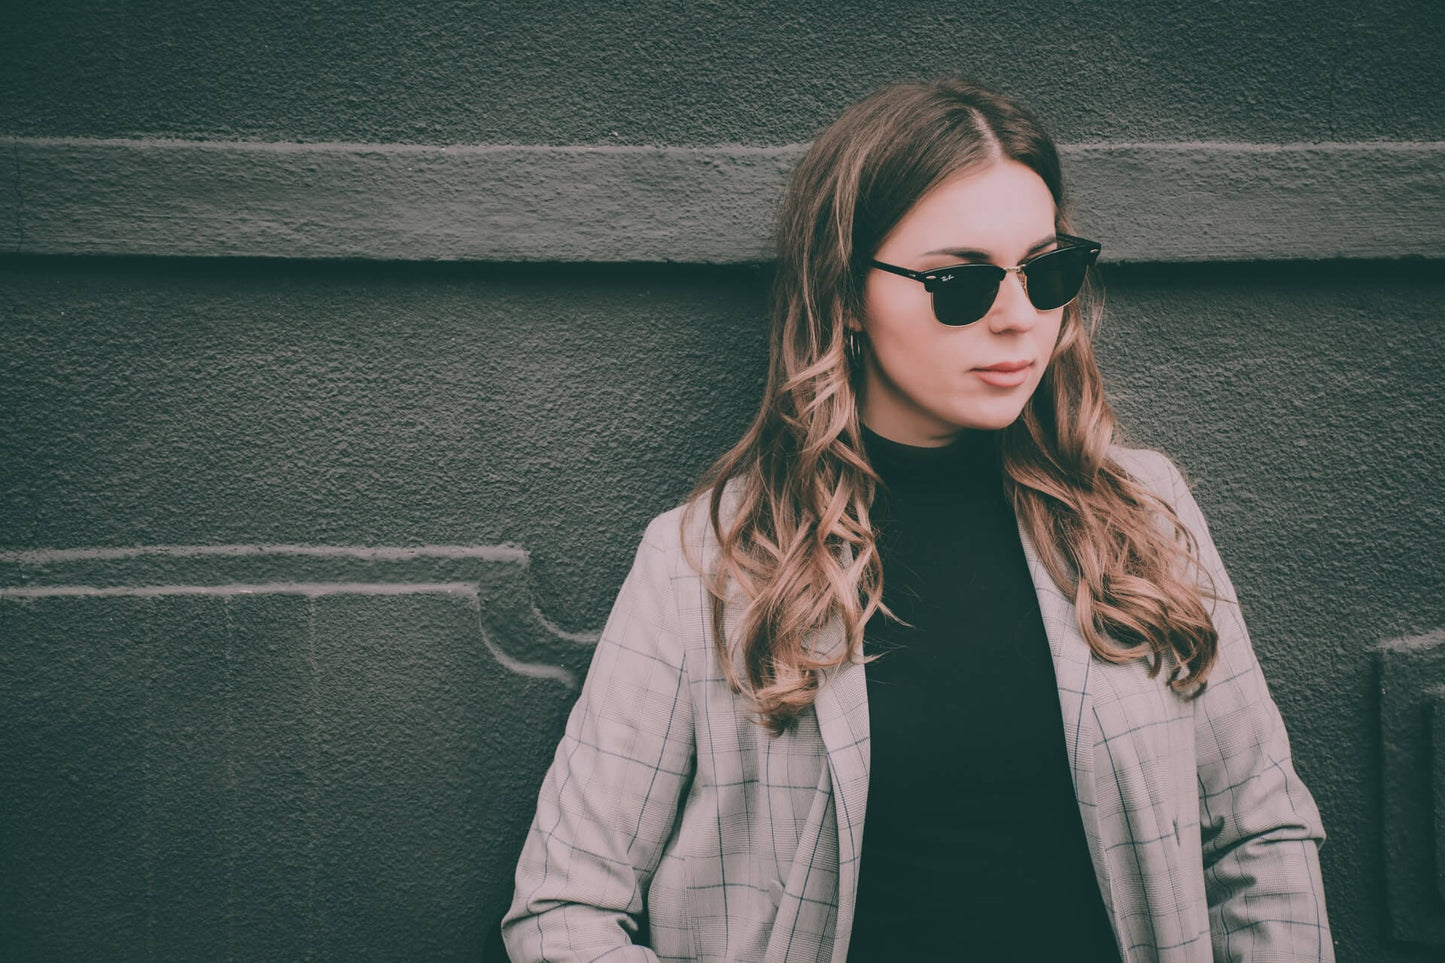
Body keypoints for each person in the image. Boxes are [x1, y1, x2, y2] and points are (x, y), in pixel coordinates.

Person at [501, 78, 1331, 962]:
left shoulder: (1145, 512)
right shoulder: (705, 560)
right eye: (960, 283)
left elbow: (1260, 833)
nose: (1020, 320)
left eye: (1046, 272)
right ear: (848, 295)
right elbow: (563, 912)